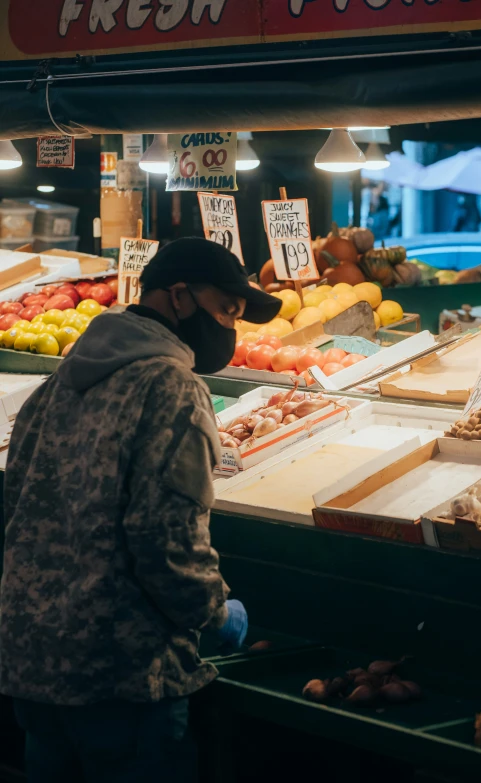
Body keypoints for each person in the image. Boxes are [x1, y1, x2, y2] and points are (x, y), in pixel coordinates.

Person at [0, 237, 281, 783]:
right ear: (178, 297)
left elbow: (16, 510)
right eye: (226, 309)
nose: (230, 327)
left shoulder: (56, 384)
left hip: (33, 663)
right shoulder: (171, 387)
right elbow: (166, 538)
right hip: (121, 675)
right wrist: (216, 614)